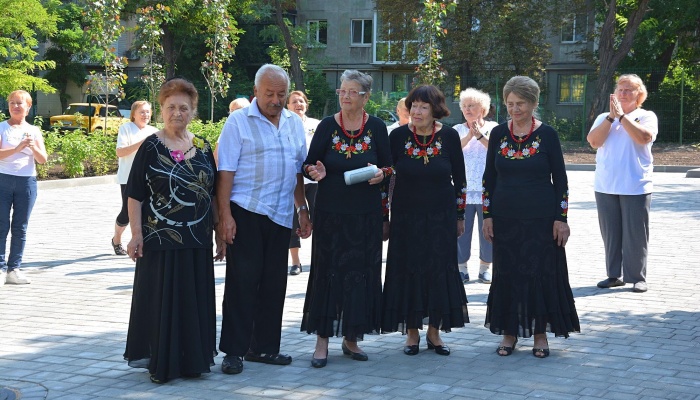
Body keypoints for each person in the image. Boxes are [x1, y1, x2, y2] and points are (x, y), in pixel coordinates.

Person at [123, 78, 222, 383]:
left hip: (197, 238)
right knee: (163, 301)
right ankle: (162, 364)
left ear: (193, 110)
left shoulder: (204, 146)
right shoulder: (151, 146)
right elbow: (135, 194)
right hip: (160, 239)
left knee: (193, 300)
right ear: (161, 111)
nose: (177, 113)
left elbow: (214, 193)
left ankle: (192, 361)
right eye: (170, 107)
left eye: (184, 107)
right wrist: (136, 234)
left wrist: (219, 232)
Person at [217, 64, 311, 375]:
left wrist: (303, 208)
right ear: (256, 91)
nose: (275, 99)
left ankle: (265, 348)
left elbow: (297, 171)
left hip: (282, 214)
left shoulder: (293, 124)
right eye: (269, 93)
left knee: (274, 284)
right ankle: (234, 351)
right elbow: (225, 172)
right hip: (246, 211)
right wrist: (225, 216)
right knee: (242, 283)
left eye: (281, 94)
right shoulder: (238, 122)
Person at [482, 76, 580, 358]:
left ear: (534, 103)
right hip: (505, 219)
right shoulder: (498, 134)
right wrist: (487, 215)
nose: (514, 109)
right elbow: (489, 178)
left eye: (520, 104)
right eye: (510, 104)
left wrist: (561, 218)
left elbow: (561, 180)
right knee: (508, 273)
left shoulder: (547, 134)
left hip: (541, 219)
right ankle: (509, 333)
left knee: (540, 274)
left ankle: (539, 336)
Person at [300, 70, 392, 368]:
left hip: (365, 215)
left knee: (359, 274)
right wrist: (316, 171)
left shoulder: (377, 127)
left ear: (365, 97)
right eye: (342, 90)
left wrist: (382, 174)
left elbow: (390, 167)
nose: (345, 95)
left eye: (352, 91)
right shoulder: (327, 126)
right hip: (331, 213)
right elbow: (307, 165)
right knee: (328, 272)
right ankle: (322, 340)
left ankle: (352, 338)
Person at [381, 85, 468, 357]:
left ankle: (434, 332)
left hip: (441, 218)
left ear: (435, 110)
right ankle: (411, 333)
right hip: (406, 218)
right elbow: (384, 178)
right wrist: (385, 217)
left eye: (423, 107)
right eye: (413, 105)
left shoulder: (451, 136)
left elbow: (461, 181)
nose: (416, 111)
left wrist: (459, 216)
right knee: (408, 269)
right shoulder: (396, 136)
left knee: (438, 271)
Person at [588, 74, 657, 293]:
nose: (623, 93)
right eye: (620, 89)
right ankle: (613, 275)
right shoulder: (602, 118)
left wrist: (621, 118)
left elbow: (643, 138)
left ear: (640, 95)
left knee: (636, 234)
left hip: (635, 186)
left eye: (629, 90)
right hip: (606, 185)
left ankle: (637, 277)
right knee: (611, 234)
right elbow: (594, 142)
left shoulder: (646, 116)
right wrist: (611, 118)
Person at [0, 90, 47, 287]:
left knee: (20, 227)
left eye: (20, 103)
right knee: (1, 225)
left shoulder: (34, 130)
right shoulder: (2, 127)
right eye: (12, 103)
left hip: (26, 182)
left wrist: (32, 147)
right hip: (3, 179)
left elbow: (43, 160)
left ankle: (14, 269)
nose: (16, 106)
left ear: (28, 107)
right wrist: (17, 148)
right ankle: (1, 268)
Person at [454, 88, 497, 284]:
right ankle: (461, 268)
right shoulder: (457, 129)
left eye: (471, 106)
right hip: (463, 189)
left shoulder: (494, 128)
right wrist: (470, 136)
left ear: (482, 109)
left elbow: (496, 150)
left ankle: (485, 267)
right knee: (462, 230)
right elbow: (454, 152)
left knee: (487, 230)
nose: (467, 109)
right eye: (464, 106)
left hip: (487, 190)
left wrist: (480, 136)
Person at [111, 101, 158, 255]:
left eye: (148, 112)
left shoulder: (155, 131)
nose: (146, 115)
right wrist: (142, 143)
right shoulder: (126, 129)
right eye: (142, 112)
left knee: (147, 211)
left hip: (149, 178)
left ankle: (141, 241)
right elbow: (120, 152)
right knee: (127, 212)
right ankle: (117, 239)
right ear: (133, 114)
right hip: (128, 178)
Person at [286, 90, 320, 276]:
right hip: (292, 179)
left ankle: (317, 260)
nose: (298, 104)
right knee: (293, 220)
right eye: (294, 102)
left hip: (314, 179)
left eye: (301, 101)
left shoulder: (317, 124)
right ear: (288, 106)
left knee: (319, 219)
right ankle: (296, 262)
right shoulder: (283, 124)